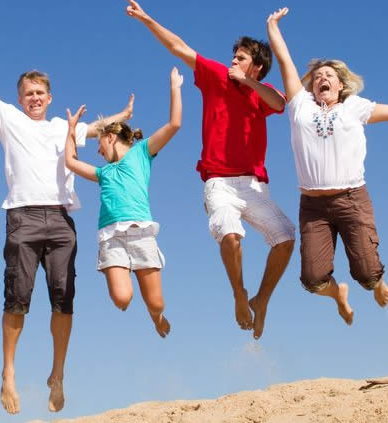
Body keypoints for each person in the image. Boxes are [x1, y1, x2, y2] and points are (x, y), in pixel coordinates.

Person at [0, 16, 134, 415]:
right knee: (17, 299)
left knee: (63, 300)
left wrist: (119, 114)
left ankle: (57, 374)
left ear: (50, 97)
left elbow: (96, 127)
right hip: (21, 218)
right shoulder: (8, 119)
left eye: (40, 92)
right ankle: (8, 373)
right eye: (28, 93)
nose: (34, 97)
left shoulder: (62, 128)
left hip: (60, 220)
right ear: (19, 99)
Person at [125, 1, 295, 340]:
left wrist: (247, 84)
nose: (234, 59)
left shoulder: (262, 93)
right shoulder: (216, 75)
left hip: (254, 185)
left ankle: (261, 300)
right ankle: (239, 294)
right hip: (218, 182)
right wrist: (146, 19)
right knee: (230, 236)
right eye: (234, 55)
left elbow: (280, 103)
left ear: (257, 66)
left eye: (242, 57)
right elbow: (179, 48)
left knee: (287, 238)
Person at [266, 7, 388, 325]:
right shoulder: (299, 106)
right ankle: (338, 296)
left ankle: (377, 283)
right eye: (317, 77)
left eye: (328, 75)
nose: (322, 79)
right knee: (312, 278)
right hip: (313, 206)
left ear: (341, 85)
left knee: (366, 272)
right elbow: (284, 61)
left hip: (351, 199)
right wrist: (272, 26)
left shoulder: (355, 107)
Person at [64, 67, 183, 338]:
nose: (98, 150)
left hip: (141, 232)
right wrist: (71, 130)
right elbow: (70, 162)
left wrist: (175, 88)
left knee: (156, 302)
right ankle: (129, 283)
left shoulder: (142, 153)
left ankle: (157, 317)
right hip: (111, 237)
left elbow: (174, 124)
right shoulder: (103, 172)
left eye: (100, 145)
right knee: (122, 299)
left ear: (109, 137)